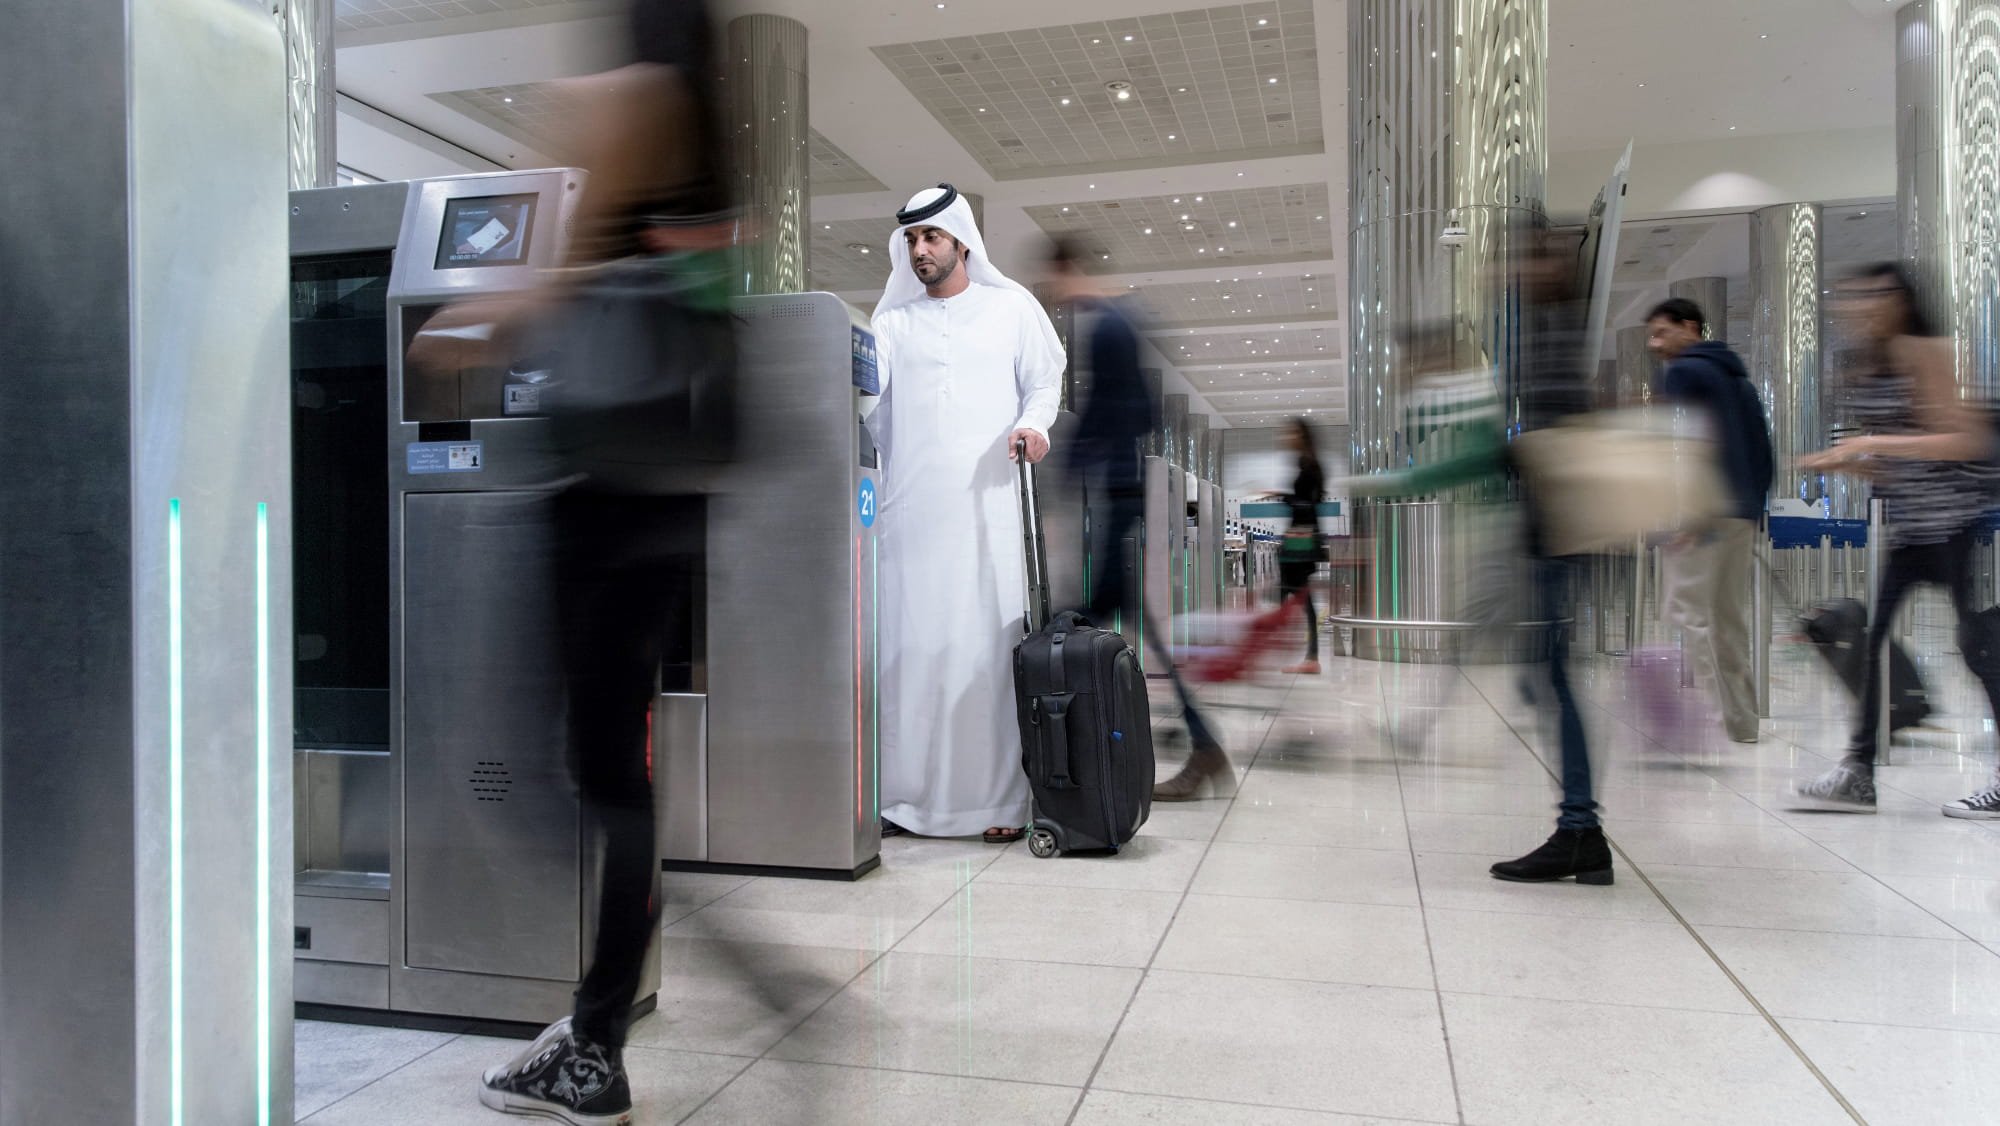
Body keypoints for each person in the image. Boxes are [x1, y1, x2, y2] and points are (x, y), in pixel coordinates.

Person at [476, 2, 736, 1122]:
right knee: (604, 769)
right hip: (671, 487)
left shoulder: (627, 99)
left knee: (575, 774)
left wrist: (474, 326)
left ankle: (595, 1041)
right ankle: (597, 1021)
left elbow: (554, 277)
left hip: (602, 489)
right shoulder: (717, 126)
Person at [871, 184, 1064, 842]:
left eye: (931, 237)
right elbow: (865, 403)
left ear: (960, 241)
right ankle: (904, 800)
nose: (920, 250)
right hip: (911, 517)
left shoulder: (1010, 309)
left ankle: (998, 804)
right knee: (913, 652)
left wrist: (1034, 426)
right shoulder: (893, 322)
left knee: (986, 652)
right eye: (911, 240)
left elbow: (1045, 380)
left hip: (990, 515)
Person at [1793, 263, 2000, 818]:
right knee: (1872, 640)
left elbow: (1964, 438)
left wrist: (1866, 440)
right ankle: (1858, 769)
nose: (1862, 307)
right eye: (1855, 297)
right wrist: (1858, 465)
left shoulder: (1922, 351)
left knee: (1979, 647)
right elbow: (1902, 460)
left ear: (1902, 301)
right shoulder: (1868, 366)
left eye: (1876, 296)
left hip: (1955, 524)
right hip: (1912, 529)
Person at [1041, 238, 1233, 800]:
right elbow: (1144, 408)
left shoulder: (1107, 325)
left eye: (1053, 279)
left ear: (1067, 270)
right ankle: (1202, 747)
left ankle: (1081, 734)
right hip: (1123, 488)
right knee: (1123, 616)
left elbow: (1115, 407)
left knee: (1084, 614)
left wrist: (1069, 463)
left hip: (1117, 490)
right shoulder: (1126, 317)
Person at [1489, 233, 1611, 885]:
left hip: (1559, 536)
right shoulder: (1546, 334)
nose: (1515, 270)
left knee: (1554, 680)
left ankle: (1580, 828)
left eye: (1530, 259)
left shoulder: (1552, 339)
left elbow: (1552, 442)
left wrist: (1508, 454)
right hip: (1554, 533)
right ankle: (1579, 824)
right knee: (1544, 678)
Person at [1646, 298, 1774, 745]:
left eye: (1662, 332)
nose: (1654, 343)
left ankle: (1718, 719)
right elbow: (1762, 447)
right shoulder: (1737, 377)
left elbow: (1686, 448)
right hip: (1742, 513)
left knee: (1689, 612)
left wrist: (1689, 512)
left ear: (1690, 327)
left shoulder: (1684, 372)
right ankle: (1743, 722)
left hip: (1706, 514)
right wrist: (1754, 507)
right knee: (1728, 618)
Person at [1276, 418, 1326, 674]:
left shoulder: (1310, 466)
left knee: (1296, 593)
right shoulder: (1306, 464)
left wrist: (1283, 496)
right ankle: (1308, 654)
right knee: (1294, 593)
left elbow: (1309, 504)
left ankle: (1309, 656)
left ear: (1302, 435)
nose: (1288, 436)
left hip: (1302, 540)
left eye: (1292, 432)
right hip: (1300, 538)